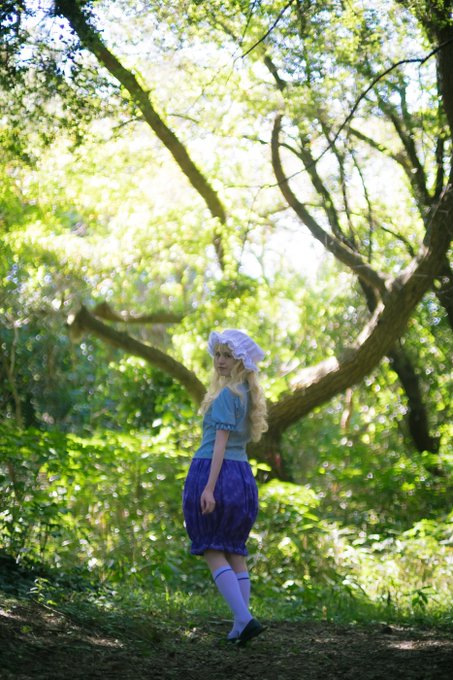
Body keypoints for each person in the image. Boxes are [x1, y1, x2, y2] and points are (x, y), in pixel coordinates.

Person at [182, 328, 268, 645]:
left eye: (228, 355)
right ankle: (240, 625)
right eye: (218, 354)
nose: (220, 360)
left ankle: (244, 619)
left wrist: (208, 488)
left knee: (212, 549)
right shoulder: (246, 394)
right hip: (242, 477)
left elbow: (219, 445)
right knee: (235, 552)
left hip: (215, 473)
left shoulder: (226, 396)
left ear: (240, 361)